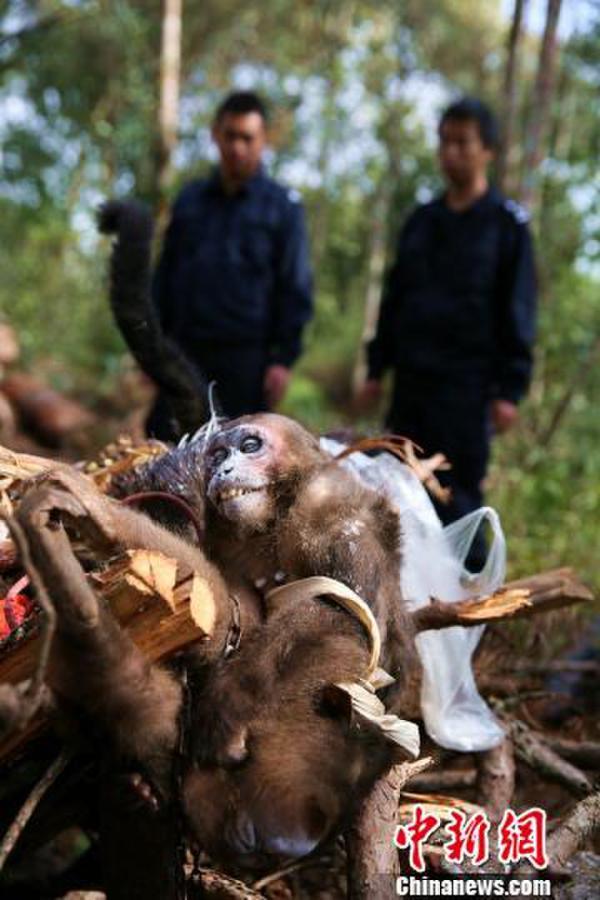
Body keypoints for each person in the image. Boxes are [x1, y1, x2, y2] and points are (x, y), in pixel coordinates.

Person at [358, 97, 537, 568]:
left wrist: (509, 390)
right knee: (399, 494)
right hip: (413, 386)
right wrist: (377, 368)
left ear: (488, 152)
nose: (451, 153)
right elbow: (395, 302)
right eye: (444, 142)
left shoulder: (507, 226)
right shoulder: (422, 221)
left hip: (467, 391)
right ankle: (410, 609)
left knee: (458, 503)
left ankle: (470, 614)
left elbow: (518, 309)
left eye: (463, 143)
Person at [149, 90, 313, 438]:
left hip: (246, 364)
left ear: (263, 141)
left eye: (247, 138)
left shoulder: (282, 208)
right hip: (184, 355)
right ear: (215, 135)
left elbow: (295, 286)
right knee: (163, 451)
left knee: (236, 463)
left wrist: (282, 360)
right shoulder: (190, 201)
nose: (237, 147)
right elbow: (165, 276)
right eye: (230, 136)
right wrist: (152, 346)